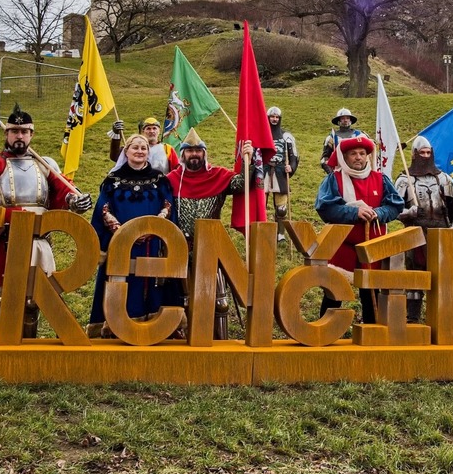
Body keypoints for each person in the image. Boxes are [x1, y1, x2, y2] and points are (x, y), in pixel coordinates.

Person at [0, 105, 93, 338]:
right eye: (14, 131)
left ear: (31, 134)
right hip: (3, 241)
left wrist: (74, 200)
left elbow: (63, 191)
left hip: (36, 241)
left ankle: (25, 355)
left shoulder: (44, 164)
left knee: (32, 302)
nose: (19, 136)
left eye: (24, 131)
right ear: (6, 134)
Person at [165, 128, 254, 339]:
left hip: (213, 248)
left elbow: (243, 184)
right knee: (182, 300)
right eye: (189, 151)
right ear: (183, 154)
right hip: (181, 249)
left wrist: (248, 159)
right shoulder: (171, 179)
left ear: (204, 153)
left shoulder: (218, 175)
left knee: (219, 303)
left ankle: (218, 340)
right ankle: (184, 342)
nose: (194, 154)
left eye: (198, 151)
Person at [86, 134, 176, 339]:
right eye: (135, 147)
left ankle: (150, 327)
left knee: (149, 281)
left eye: (144, 148)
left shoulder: (159, 179)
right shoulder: (112, 180)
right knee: (120, 279)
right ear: (126, 152)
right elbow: (103, 208)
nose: (140, 151)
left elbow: (168, 206)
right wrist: (122, 231)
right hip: (120, 242)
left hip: (151, 243)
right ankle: (114, 325)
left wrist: (154, 228)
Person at [314, 135, 404, 324]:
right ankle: (323, 331)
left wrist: (378, 213)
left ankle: (372, 332)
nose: (358, 157)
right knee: (334, 291)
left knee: (371, 292)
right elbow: (325, 207)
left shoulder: (381, 179)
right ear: (345, 157)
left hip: (372, 245)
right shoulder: (334, 179)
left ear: (368, 157)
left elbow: (395, 205)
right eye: (353, 154)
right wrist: (354, 212)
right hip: (341, 245)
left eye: (362, 153)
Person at [394, 136, 453, 324]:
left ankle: (444, 320)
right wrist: (409, 212)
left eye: (428, 153)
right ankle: (412, 318)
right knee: (415, 277)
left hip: (441, 232)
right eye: (422, 153)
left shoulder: (444, 179)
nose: (425, 156)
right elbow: (393, 210)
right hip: (415, 233)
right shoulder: (404, 180)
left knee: (443, 278)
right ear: (414, 154)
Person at [264, 106, 299, 242]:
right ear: (268, 118)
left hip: (280, 172)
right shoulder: (261, 134)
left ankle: (280, 233)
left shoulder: (286, 136)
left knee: (281, 208)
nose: (274, 119)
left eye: (277, 117)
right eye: (272, 116)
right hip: (265, 171)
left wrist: (291, 167)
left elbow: (294, 157)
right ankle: (262, 230)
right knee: (261, 205)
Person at [108, 116, 179, 172]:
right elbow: (115, 156)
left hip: (161, 186)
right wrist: (116, 135)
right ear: (143, 131)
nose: (152, 131)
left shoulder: (167, 149)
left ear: (159, 131)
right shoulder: (134, 148)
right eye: (148, 128)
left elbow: (176, 170)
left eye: (154, 128)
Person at [320, 108, 364, 175]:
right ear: (339, 120)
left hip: (357, 171)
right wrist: (331, 173)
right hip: (339, 172)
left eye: (347, 118)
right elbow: (324, 158)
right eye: (343, 118)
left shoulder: (360, 135)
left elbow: (368, 155)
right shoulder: (332, 138)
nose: (345, 120)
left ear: (350, 120)